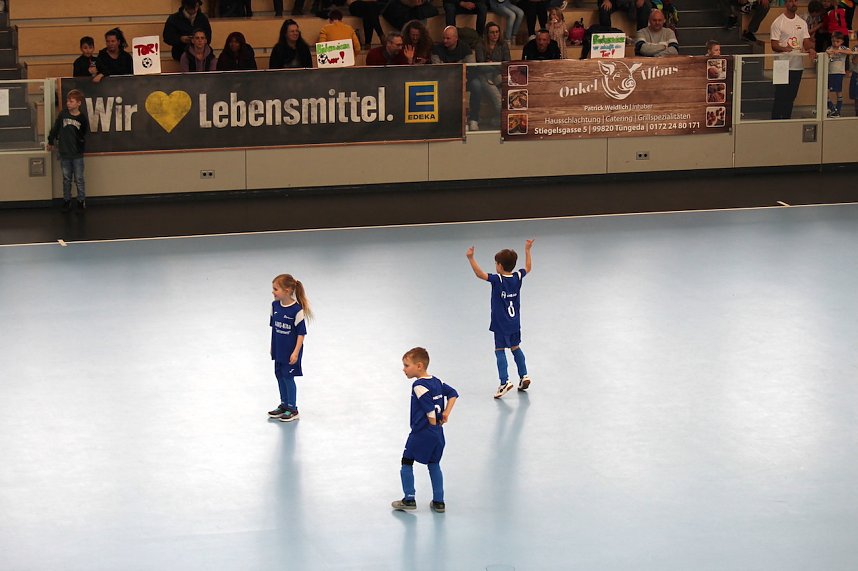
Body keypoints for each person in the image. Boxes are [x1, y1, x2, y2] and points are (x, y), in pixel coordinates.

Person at [391, 347, 458, 513]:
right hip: (438, 434)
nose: (404, 369)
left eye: (407, 365)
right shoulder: (437, 382)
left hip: (421, 432)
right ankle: (439, 501)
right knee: (434, 463)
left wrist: (433, 423)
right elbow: (453, 394)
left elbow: (428, 410)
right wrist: (446, 413)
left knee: (407, 461)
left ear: (419, 366)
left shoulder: (418, 386)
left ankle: (409, 498)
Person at [466, 240, 534, 398]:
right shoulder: (518, 276)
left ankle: (504, 382)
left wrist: (470, 258)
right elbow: (529, 268)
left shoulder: (498, 280)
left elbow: (479, 274)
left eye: (496, 263)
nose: (495, 266)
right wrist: (527, 250)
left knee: (499, 350)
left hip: (500, 324)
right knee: (516, 347)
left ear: (500, 266)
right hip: (515, 323)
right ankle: (524, 375)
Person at [267, 273, 312, 423]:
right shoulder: (275, 306)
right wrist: (272, 347)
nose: (273, 292)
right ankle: (284, 405)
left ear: (287, 290)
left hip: (291, 353)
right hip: (279, 350)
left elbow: (301, 334)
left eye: (275, 289)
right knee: (279, 375)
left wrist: (295, 353)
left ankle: (293, 409)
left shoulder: (296, 310)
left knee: (288, 377)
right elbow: (274, 328)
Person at [770, 0, 816, 119]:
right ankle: (775, 120)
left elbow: (806, 41)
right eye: (791, 1)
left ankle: (786, 119)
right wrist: (784, 48)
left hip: (797, 65)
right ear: (786, 3)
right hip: (782, 65)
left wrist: (810, 48)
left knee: (791, 96)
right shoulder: (778, 22)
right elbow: (774, 45)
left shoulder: (802, 23)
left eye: (795, 1)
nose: (794, 3)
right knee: (780, 95)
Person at [47, 89, 89, 212]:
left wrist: (79, 144)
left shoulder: (82, 118)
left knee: (79, 178)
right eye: (67, 101)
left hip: (77, 153)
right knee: (66, 179)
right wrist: (51, 141)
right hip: (65, 152)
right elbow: (55, 128)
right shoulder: (63, 114)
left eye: (71, 101)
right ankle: (67, 200)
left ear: (78, 103)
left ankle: (81, 200)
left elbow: (84, 132)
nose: (68, 104)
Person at [468, 21, 510, 131]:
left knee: (506, 98)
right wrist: (496, 65)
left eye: (497, 32)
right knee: (498, 100)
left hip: (500, 76)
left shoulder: (503, 45)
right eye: (492, 32)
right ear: (487, 34)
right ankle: (500, 121)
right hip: (484, 76)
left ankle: (496, 120)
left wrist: (491, 64)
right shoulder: (480, 45)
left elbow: (507, 64)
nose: (495, 35)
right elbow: (481, 66)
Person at [826, 31, 849, 115]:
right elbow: (826, 53)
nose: (835, 43)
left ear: (842, 41)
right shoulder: (829, 48)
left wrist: (839, 52)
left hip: (839, 72)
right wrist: (830, 53)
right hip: (829, 73)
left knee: (838, 91)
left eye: (837, 41)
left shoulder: (843, 48)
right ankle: (832, 108)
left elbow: (850, 52)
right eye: (833, 41)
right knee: (826, 92)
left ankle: (838, 110)